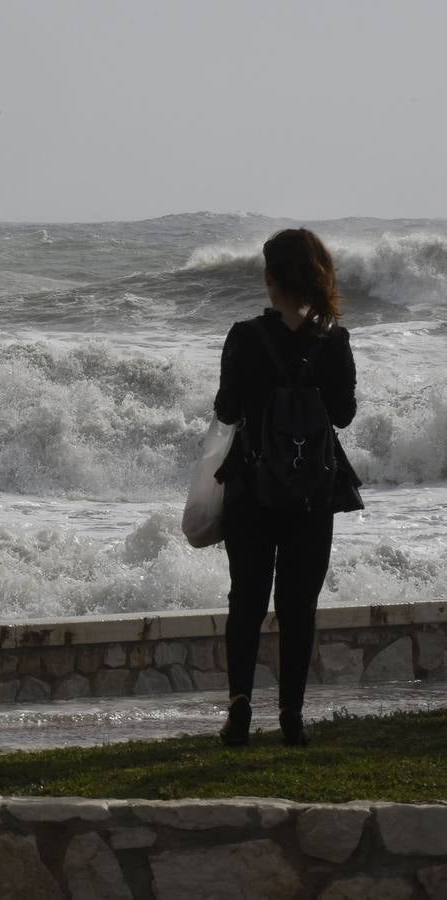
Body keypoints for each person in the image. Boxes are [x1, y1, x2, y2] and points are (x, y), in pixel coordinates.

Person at [212, 228, 362, 747]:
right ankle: (292, 716)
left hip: (252, 488)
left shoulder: (245, 336)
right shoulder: (335, 340)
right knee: (299, 604)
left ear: (273, 278)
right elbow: (342, 415)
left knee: (246, 601)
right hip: (312, 492)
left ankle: (239, 711)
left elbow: (227, 410)